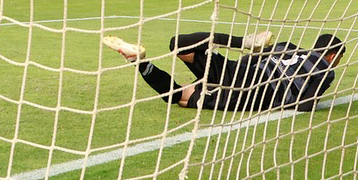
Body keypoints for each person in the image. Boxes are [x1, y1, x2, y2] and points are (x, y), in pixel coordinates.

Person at [103, 29, 345, 115]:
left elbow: (256, 58)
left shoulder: (288, 47)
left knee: (180, 45)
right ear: (332, 56)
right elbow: (305, 105)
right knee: (181, 98)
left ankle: (243, 41)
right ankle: (138, 62)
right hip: (251, 90)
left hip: (238, 69)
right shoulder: (324, 68)